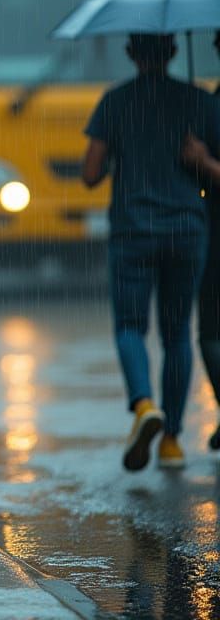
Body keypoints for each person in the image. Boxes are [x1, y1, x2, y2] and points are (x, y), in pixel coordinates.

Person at [82, 32, 220, 471]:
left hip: (133, 229)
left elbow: (89, 173)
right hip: (187, 229)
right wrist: (198, 157)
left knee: (130, 325)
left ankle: (144, 407)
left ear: (130, 53)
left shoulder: (115, 101)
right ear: (175, 52)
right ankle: (174, 440)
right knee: (177, 333)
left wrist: (118, 154)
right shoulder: (200, 102)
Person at [182, 30, 220, 451]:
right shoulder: (210, 101)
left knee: (210, 332)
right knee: (208, 330)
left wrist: (204, 163)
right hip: (213, 231)